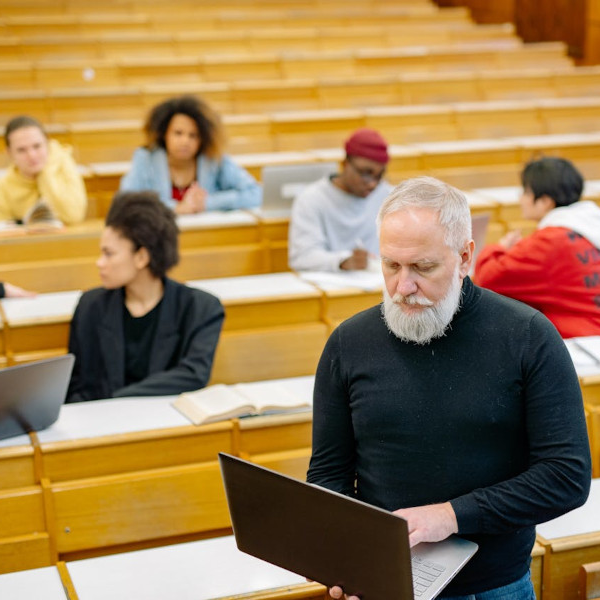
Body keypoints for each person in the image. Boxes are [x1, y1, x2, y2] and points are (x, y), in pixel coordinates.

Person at [307, 176, 591, 599]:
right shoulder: (349, 343)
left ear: (464, 257)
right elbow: (327, 475)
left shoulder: (528, 336)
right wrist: (346, 560)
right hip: (386, 578)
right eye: (391, 265)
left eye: (423, 267)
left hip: (494, 585)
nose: (403, 287)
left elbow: (566, 477)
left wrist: (452, 515)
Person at [67, 190, 224, 402]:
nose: (99, 263)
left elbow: (193, 375)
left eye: (109, 253)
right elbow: (77, 386)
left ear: (141, 257)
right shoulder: (90, 306)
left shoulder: (201, 308)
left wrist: (118, 399)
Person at [474, 157, 600, 338]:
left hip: (583, 343)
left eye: (526, 192)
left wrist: (499, 247)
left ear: (545, 201)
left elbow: (488, 278)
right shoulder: (591, 224)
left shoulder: (550, 241)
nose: (521, 199)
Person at [119, 95, 261, 213]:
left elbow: (256, 194)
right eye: (178, 133)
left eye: (193, 135)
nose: (185, 141)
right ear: (164, 134)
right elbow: (126, 203)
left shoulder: (213, 158)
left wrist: (208, 203)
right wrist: (176, 208)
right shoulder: (145, 158)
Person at [288, 128, 393, 272]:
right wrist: (344, 261)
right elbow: (303, 257)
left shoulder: (389, 196)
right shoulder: (311, 199)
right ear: (345, 164)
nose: (372, 183)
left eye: (379, 176)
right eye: (365, 173)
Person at [0, 115, 87, 224]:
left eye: (37, 146)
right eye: (21, 150)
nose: (32, 155)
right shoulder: (4, 186)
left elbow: (73, 216)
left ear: (47, 144)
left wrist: (46, 173)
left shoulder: (64, 167)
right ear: (9, 153)